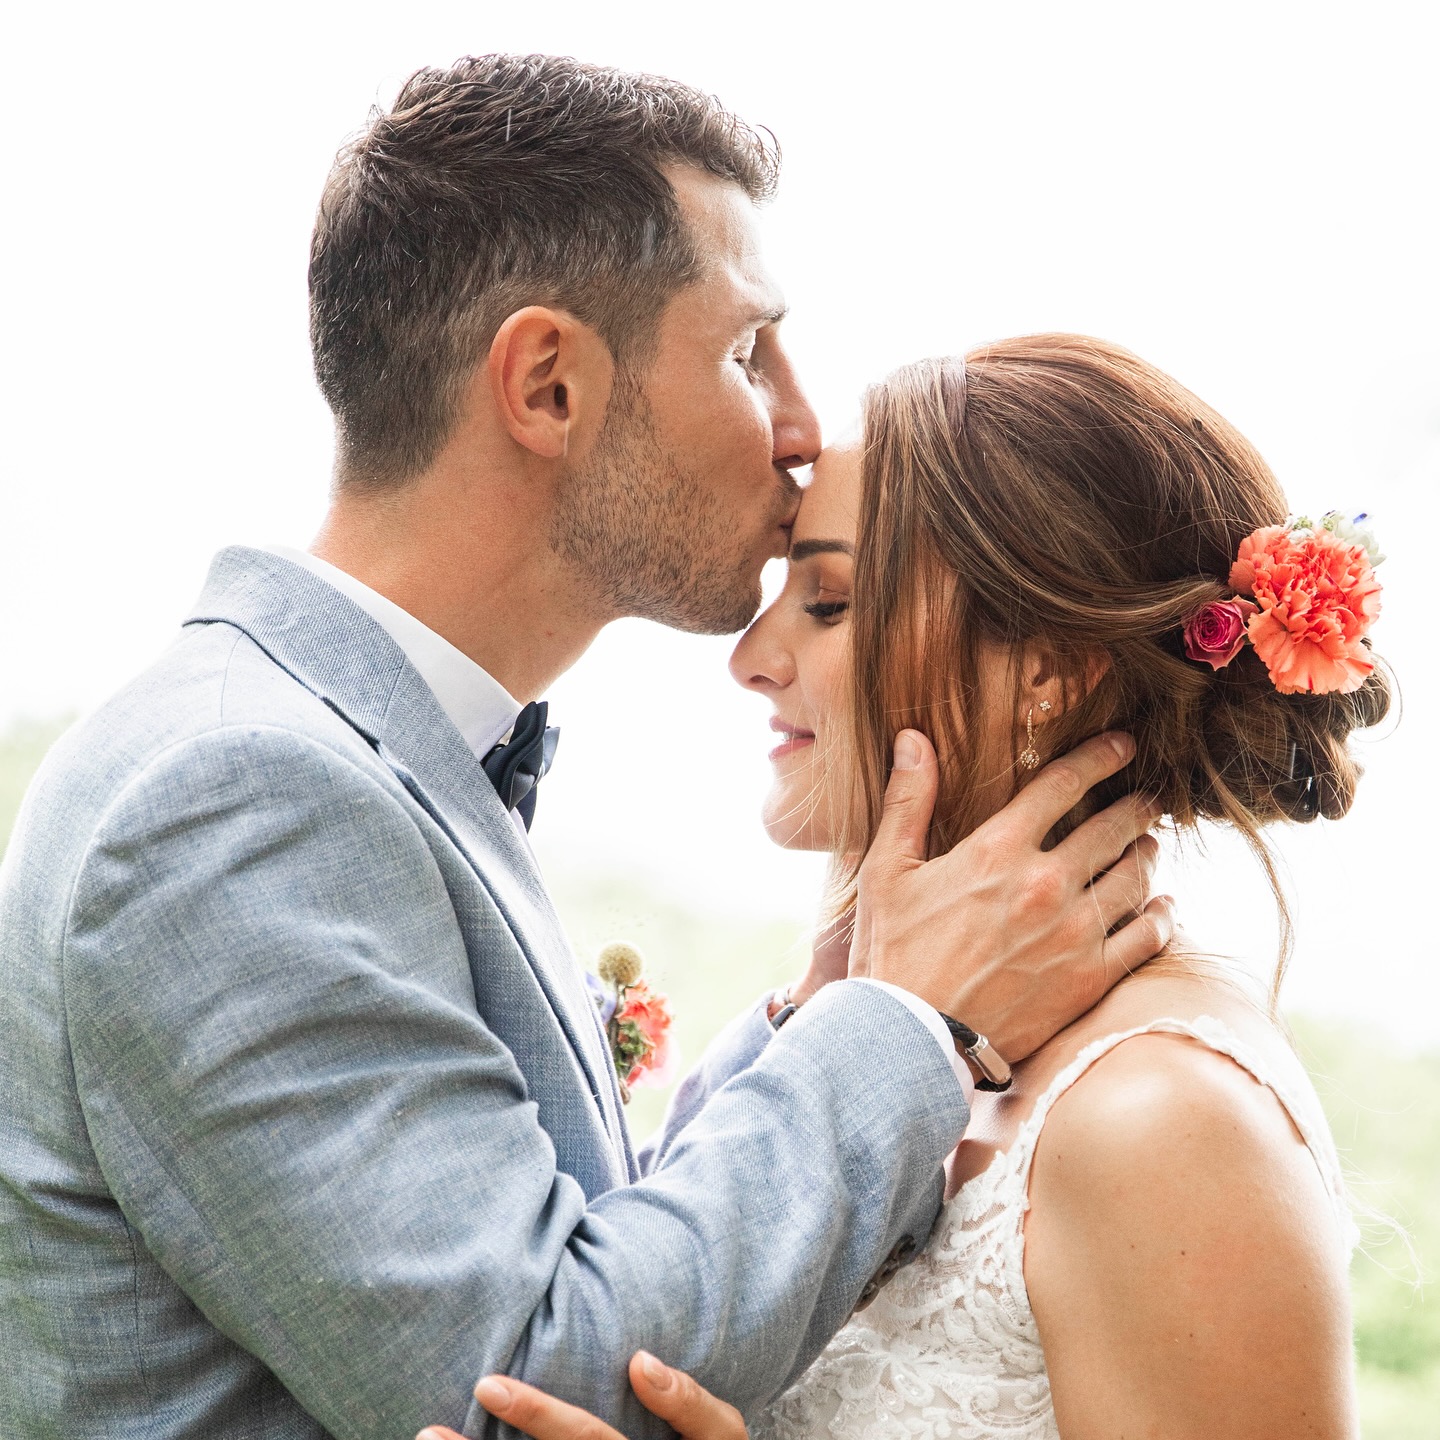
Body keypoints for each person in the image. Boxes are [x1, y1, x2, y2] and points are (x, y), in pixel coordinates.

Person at [0, 59, 1171, 1440]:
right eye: (747, 354)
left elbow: (545, 1234)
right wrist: (911, 1026)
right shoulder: (236, 796)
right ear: (549, 385)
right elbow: (521, 1380)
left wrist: (825, 1012)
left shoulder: (337, 752)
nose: (801, 429)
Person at [460, 335, 1384, 1438]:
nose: (750, 656)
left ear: (1047, 672)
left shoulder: (1164, 1120)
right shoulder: (896, 1029)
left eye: (830, 601)